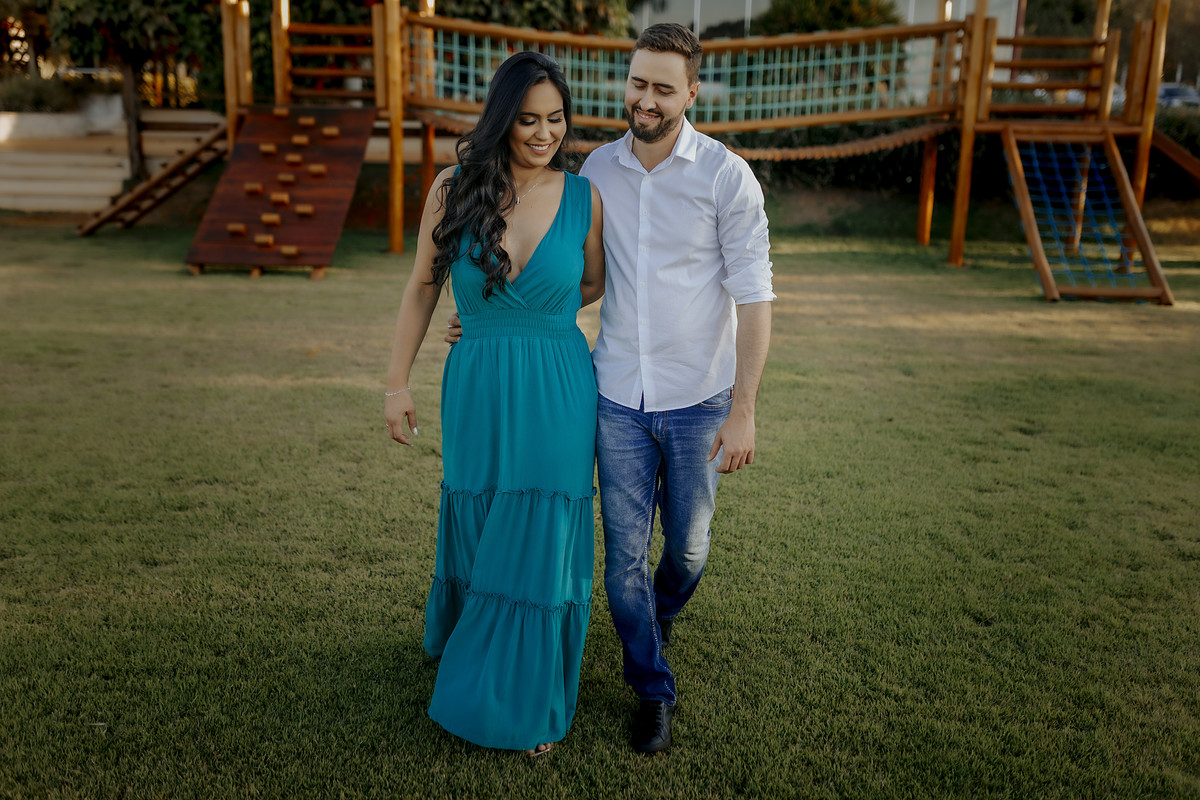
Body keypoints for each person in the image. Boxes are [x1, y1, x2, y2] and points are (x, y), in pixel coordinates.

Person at [449, 24, 774, 755]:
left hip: (698, 400)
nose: (647, 99)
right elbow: (566, 269)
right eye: (638, 83)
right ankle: (651, 687)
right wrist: (489, 321)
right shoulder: (595, 171)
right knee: (621, 565)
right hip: (616, 397)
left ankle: (657, 619)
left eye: (664, 87)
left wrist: (745, 409)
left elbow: (755, 298)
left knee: (687, 552)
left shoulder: (727, 177)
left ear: (691, 93)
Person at [384, 51, 605, 756]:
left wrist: (525, 314)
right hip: (477, 381)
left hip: (560, 386)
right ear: (502, 119)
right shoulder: (454, 187)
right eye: (528, 120)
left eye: (556, 119)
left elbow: (589, 284)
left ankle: (527, 700)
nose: (544, 134)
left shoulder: (583, 196)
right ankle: (467, 639)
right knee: (480, 507)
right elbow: (423, 285)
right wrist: (398, 381)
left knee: (541, 532)